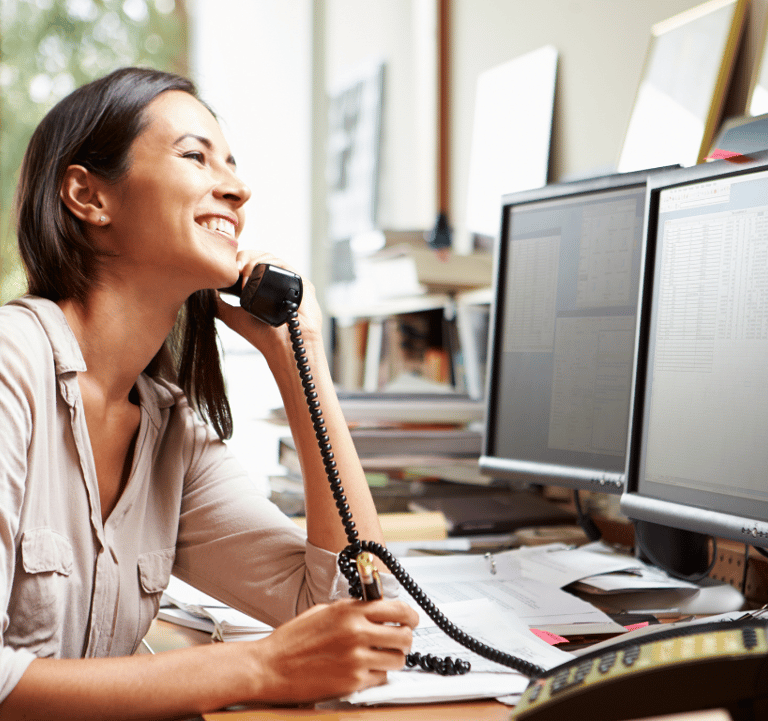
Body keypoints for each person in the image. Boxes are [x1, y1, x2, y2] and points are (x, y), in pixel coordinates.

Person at [0, 66, 418, 720]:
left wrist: (298, 355)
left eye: (232, 163)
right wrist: (257, 665)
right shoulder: (10, 370)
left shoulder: (170, 432)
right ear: (88, 195)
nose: (238, 188)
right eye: (195, 156)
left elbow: (350, 613)